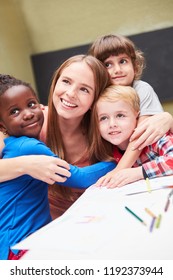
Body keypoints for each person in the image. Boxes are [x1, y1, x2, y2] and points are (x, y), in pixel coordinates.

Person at [0, 73, 116, 260]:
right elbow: (80, 178)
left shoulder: (14, 145)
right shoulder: (28, 147)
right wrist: (117, 161)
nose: (28, 113)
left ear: (41, 106)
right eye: (14, 112)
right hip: (17, 250)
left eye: (31, 104)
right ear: (2, 125)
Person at [88, 34, 173, 186]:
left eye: (123, 61)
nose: (117, 70)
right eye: (108, 64)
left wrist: (120, 172)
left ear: (134, 65)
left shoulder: (142, 89)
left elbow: (138, 138)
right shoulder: (99, 98)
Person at [90, 85, 173, 188]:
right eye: (103, 118)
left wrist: (139, 173)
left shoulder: (153, 138)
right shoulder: (112, 151)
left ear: (137, 117)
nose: (112, 124)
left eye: (120, 115)